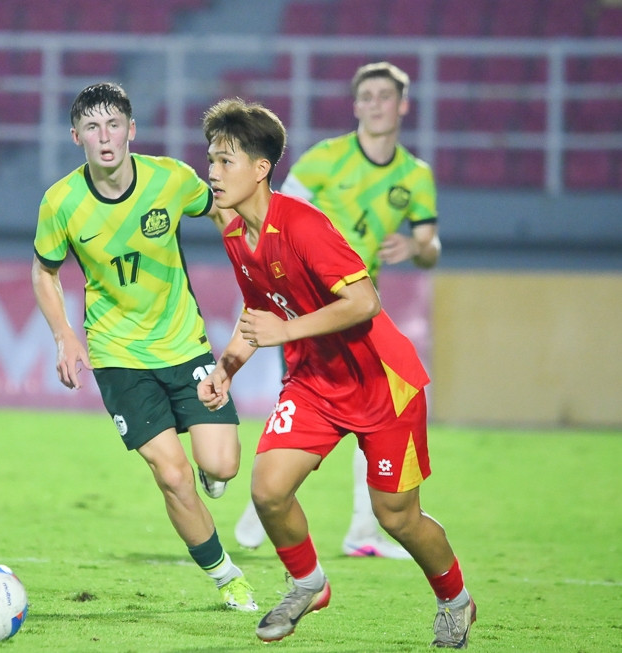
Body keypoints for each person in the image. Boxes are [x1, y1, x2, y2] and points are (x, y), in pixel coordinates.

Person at [198, 98, 474, 648]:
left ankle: (454, 598)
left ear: (261, 169)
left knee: (397, 518)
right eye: (210, 159)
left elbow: (365, 300)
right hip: (315, 384)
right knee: (268, 489)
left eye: (226, 161)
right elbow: (261, 314)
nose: (212, 171)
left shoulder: (303, 223)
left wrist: (285, 332)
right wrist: (227, 368)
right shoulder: (236, 236)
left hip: (382, 384)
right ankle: (309, 583)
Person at [31, 82, 255, 611]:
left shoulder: (170, 179)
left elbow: (221, 208)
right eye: (92, 128)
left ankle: (210, 467)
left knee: (221, 468)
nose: (104, 137)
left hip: (185, 345)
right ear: (76, 137)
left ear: (132, 130)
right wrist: (65, 335)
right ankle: (226, 576)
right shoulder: (61, 202)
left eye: (113, 126)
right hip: (118, 357)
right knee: (171, 474)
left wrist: (249, 256)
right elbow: (44, 273)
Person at [232, 61, 441, 559]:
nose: (375, 104)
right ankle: (266, 501)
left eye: (384, 96)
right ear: (355, 105)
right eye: (365, 96)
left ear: (402, 105)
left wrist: (415, 247)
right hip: (307, 309)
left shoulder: (415, 176)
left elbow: (431, 245)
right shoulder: (325, 159)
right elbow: (275, 212)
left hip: (358, 311)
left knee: (374, 413)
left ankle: (360, 530)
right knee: (313, 401)